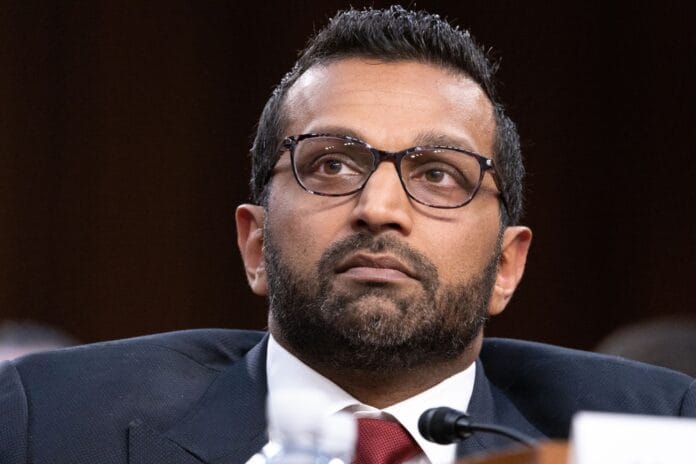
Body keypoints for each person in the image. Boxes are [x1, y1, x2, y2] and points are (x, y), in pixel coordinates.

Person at [1, 6, 694, 464]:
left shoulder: (654, 431)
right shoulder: (51, 424)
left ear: (507, 266)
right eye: (332, 164)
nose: (380, 207)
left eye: (440, 174)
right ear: (254, 244)